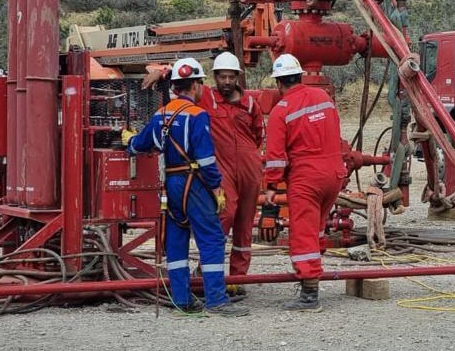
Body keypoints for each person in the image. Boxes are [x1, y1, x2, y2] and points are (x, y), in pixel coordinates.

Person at [126, 57, 249, 316]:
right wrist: (216, 187)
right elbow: (206, 159)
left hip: (170, 184)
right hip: (194, 184)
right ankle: (216, 301)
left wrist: (129, 140)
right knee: (211, 239)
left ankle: (181, 300)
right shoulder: (197, 115)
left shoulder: (160, 114)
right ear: (195, 86)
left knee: (176, 239)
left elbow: (140, 145)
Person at [143, 53, 264, 294]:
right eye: (222, 77)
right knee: (224, 214)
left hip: (250, 169)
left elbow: (259, 134)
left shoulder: (250, 104)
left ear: (238, 77)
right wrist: (162, 72)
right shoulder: (206, 97)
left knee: (245, 224)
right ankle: (207, 272)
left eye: (231, 77)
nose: (226, 81)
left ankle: (238, 279)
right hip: (222, 168)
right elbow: (186, 76)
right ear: (215, 77)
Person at [263, 53, 346, 312]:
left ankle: (309, 293)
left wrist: (271, 187)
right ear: (300, 76)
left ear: (278, 83)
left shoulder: (281, 111)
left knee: (302, 233)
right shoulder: (324, 98)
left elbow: (275, 158)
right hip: (334, 174)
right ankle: (313, 274)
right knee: (317, 227)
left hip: (307, 179)